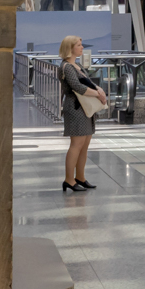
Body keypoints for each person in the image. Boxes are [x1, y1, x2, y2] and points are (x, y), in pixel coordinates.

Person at [57, 36, 104, 194]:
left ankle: (80, 177)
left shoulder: (76, 65)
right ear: (70, 48)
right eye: (78, 45)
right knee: (76, 145)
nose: (82, 47)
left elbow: (87, 82)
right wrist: (98, 94)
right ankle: (69, 179)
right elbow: (77, 87)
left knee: (84, 145)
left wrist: (98, 90)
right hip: (75, 108)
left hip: (84, 108)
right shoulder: (66, 67)